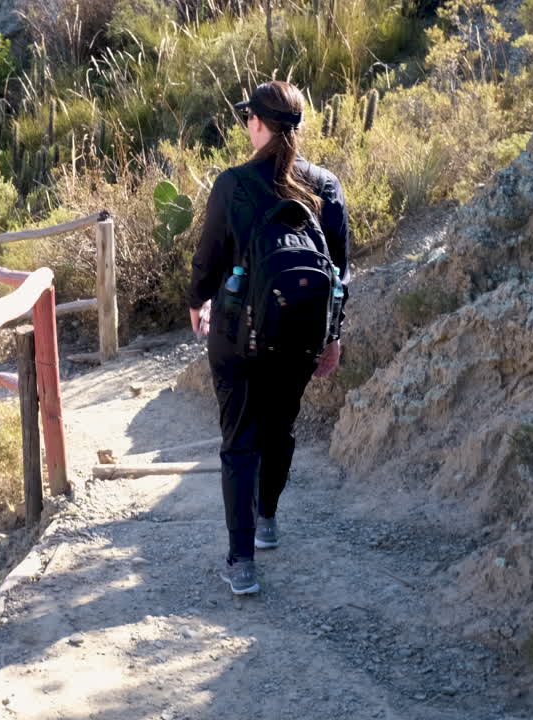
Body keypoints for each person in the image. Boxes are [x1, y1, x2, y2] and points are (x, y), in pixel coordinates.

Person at [186, 80, 350, 595]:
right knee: (279, 427)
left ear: (257, 122)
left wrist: (196, 301)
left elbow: (208, 260)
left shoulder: (232, 184)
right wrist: (333, 335)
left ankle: (241, 563)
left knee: (239, 440)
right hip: (300, 334)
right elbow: (339, 271)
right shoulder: (326, 184)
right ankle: (269, 521)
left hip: (238, 334)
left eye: (247, 118)